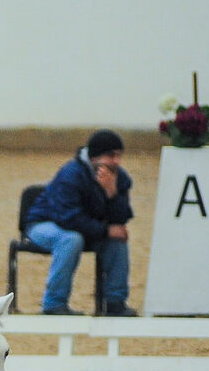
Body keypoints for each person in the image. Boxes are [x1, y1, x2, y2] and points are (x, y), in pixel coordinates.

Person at [23, 129, 138, 316]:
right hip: (43, 224)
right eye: (110, 155)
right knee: (70, 239)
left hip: (85, 229)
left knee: (118, 238)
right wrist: (105, 230)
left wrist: (112, 194)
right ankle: (53, 304)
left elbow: (121, 218)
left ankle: (115, 302)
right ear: (94, 157)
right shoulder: (71, 174)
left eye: (118, 156)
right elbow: (68, 218)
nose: (116, 161)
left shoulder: (120, 178)